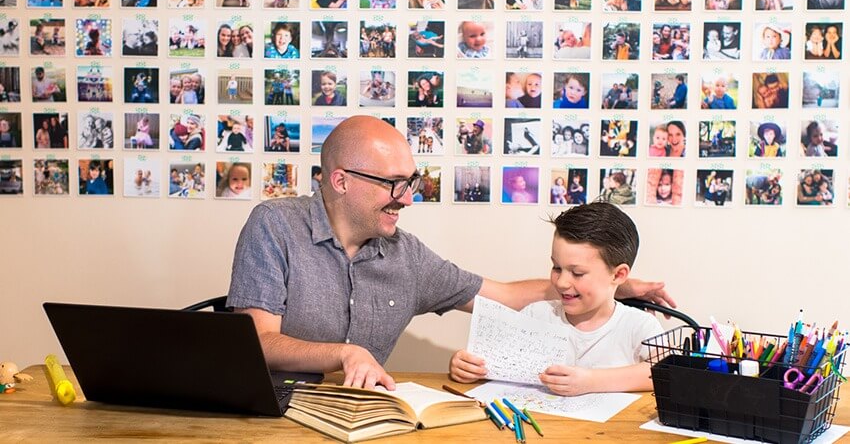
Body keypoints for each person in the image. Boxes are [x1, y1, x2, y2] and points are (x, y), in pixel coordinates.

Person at [226, 115, 674, 389]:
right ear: (341, 181)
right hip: (271, 410)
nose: (407, 198)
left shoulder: (407, 256)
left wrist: (606, 285)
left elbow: (502, 296)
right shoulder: (275, 226)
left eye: (412, 182)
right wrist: (343, 353)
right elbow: (257, 343)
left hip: (363, 416)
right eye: (393, 184)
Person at [450, 201, 662, 395]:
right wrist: (467, 367)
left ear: (618, 275)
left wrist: (591, 381)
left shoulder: (639, 326)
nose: (561, 282)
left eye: (577, 273)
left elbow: (667, 372)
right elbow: (490, 364)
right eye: (556, 267)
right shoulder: (536, 315)